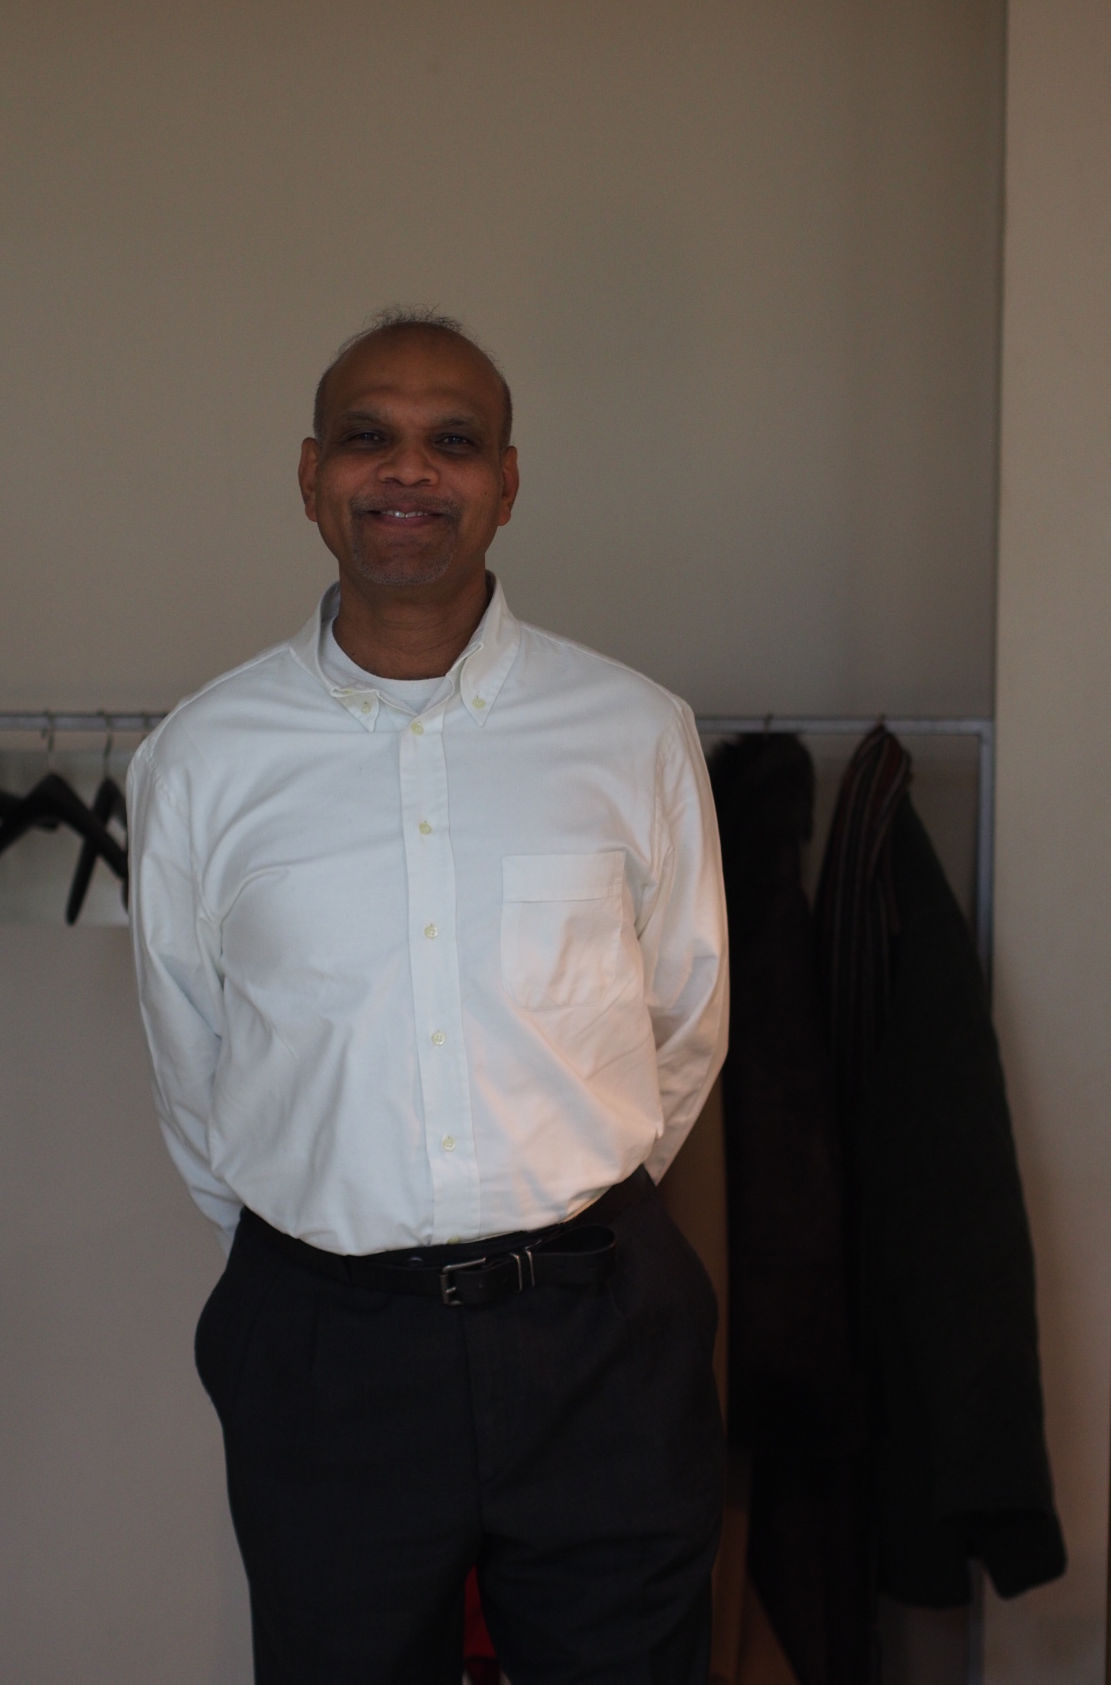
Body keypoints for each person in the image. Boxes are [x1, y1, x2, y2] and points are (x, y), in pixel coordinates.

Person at [127, 308, 729, 1685]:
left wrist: (566, 1223)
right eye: (368, 437)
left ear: (506, 483)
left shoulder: (633, 732)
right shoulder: (201, 758)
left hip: (601, 1336)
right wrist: (336, 1251)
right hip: (323, 1348)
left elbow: (684, 1021)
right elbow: (191, 1055)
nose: (408, 470)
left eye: (452, 442)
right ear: (309, 476)